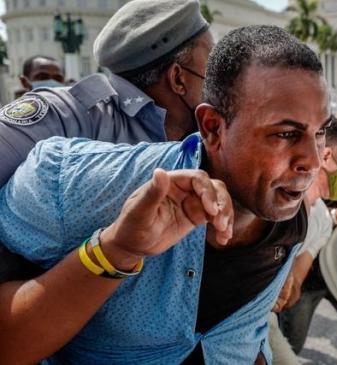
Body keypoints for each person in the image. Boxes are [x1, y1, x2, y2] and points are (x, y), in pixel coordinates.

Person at [0, 25, 329, 364]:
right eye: (286, 133)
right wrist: (116, 250)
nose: (314, 161)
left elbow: (243, 334)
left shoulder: (289, 218)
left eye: (321, 132)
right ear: (213, 127)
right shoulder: (83, 183)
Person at [0, 0, 215, 358]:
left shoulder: (209, 135)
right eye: (214, 71)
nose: (222, 84)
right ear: (179, 78)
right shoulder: (68, 116)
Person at [274, 119, 337, 365]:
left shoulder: (323, 218)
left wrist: (286, 287)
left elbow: (292, 288)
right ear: (325, 157)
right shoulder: (278, 202)